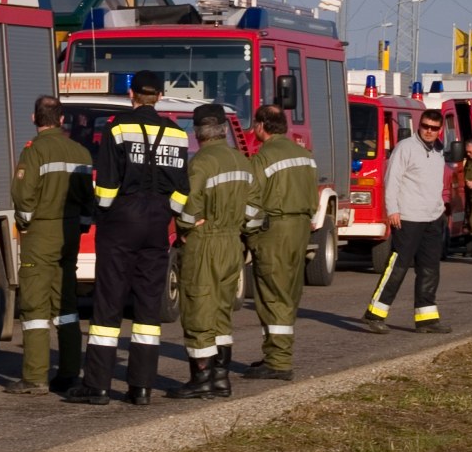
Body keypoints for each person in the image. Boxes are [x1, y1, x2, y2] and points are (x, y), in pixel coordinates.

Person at [66, 70, 189, 406]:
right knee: (149, 306)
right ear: (160, 96)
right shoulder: (178, 134)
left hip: (122, 219)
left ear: (132, 95)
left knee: (108, 303)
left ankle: (98, 386)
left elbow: (106, 184)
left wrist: (102, 215)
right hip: (156, 223)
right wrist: (167, 214)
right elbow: (183, 190)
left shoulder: (118, 127)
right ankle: (142, 388)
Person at [167, 103, 257, 400]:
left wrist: (184, 226)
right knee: (221, 312)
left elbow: (187, 211)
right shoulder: (242, 161)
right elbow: (255, 212)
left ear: (197, 132)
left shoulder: (200, 163)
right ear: (222, 130)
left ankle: (200, 380)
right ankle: (221, 378)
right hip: (232, 243)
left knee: (198, 312)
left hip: (204, 243)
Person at [6, 95, 94, 395]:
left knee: (34, 307)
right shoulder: (80, 152)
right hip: (69, 234)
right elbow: (87, 198)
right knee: (66, 305)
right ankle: (70, 372)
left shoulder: (35, 152)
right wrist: (81, 224)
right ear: (61, 118)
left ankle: (35, 376)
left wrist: (27, 221)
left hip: (41, 233)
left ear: (34, 119)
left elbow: (23, 194)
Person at [242, 103, 319, 379]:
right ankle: (274, 355)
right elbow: (314, 196)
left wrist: (247, 234)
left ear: (261, 126)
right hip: (300, 228)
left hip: (275, 230)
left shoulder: (263, 157)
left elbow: (251, 202)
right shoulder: (304, 155)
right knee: (289, 290)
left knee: (273, 294)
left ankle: (278, 361)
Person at [362, 108, 450, 334]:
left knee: (430, 269)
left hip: (433, 218)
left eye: (434, 128)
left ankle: (427, 319)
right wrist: (393, 210)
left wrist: (441, 210)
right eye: (425, 127)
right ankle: (375, 314)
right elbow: (392, 180)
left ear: (440, 130)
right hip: (408, 218)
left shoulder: (439, 150)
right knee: (398, 267)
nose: (429, 131)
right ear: (419, 126)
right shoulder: (406, 148)